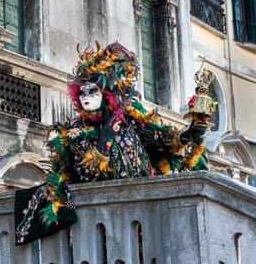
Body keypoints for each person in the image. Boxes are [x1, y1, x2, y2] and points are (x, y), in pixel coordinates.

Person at [14, 42, 216, 245]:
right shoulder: (76, 133)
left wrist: (193, 129)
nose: (86, 97)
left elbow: (163, 142)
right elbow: (87, 174)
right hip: (106, 219)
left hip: (146, 208)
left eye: (92, 91)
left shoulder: (129, 118)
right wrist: (106, 137)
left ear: (106, 93)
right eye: (82, 93)